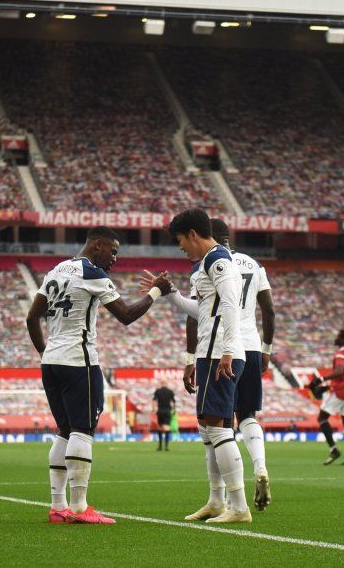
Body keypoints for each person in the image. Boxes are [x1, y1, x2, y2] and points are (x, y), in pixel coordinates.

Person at [26, 226, 170, 525]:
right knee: (81, 430)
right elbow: (126, 315)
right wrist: (157, 291)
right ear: (97, 245)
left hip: (52, 361)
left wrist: (45, 351)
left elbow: (31, 317)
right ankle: (79, 507)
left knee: (64, 430)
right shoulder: (93, 273)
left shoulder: (55, 270)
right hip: (79, 361)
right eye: (113, 251)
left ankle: (58, 506)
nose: (115, 258)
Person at [142, 208, 250, 524]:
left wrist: (228, 351)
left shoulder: (218, 259)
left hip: (220, 355)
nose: (180, 248)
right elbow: (200, 309)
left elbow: (231, 303)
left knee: (217, 427)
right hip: (209, 354)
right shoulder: (204, 265)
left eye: (180, 241)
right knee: (207, 428)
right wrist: (169, 292)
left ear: (192, 234)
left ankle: (239, 507)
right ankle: (217, 501)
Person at [185, 218, 275, 510]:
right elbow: (269, 311)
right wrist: (267, 350)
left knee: (217, 424)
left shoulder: (207, 265)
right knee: (247, 414)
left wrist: (189, 358)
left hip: (223, 347)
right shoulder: (253, 264)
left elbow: (195, 314)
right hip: (249, 346)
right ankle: (259, 466)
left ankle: (225, 499)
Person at [312, 330, 344, 466]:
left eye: (338, 336)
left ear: (343, 340)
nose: (335, 338)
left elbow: (339, 371)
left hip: (341, 391)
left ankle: (334, 449)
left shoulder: (340, 353)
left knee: (321, 418)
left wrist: (321, 379)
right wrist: (328, 386)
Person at [153, 384, 176, 451]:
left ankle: (160, 446)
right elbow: (173, 401)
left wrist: (153, 409)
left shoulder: (158, 391)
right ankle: (166, 446)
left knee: (160, 427)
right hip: (167, 411)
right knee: (166, 428)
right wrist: (174, 410)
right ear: (166, 384)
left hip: (160, 411)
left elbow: (154, 400)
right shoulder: (170, 391)